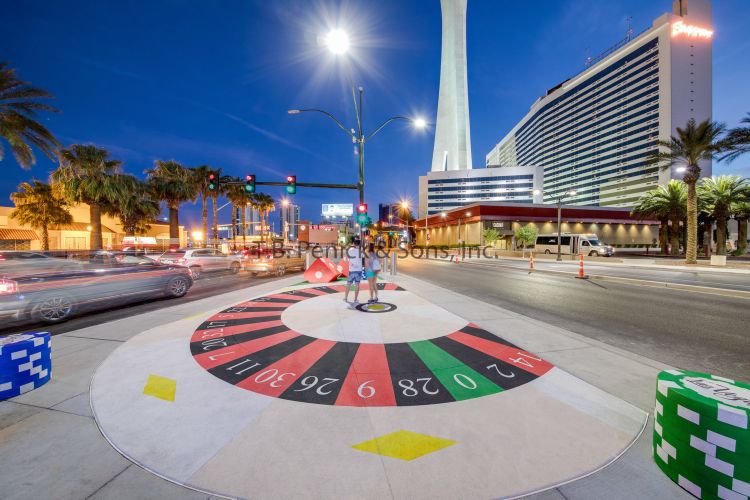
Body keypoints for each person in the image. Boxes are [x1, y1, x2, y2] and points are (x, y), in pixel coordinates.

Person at [344, 237, 363, 307]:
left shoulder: (349, 250)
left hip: (351, 270)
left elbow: (345, 259)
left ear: (353, 243)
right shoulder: (361, 250)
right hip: (359, 270)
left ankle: (345, 298)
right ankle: (355, 299)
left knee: (348, 284)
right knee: (357, 285)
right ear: (359, 244)